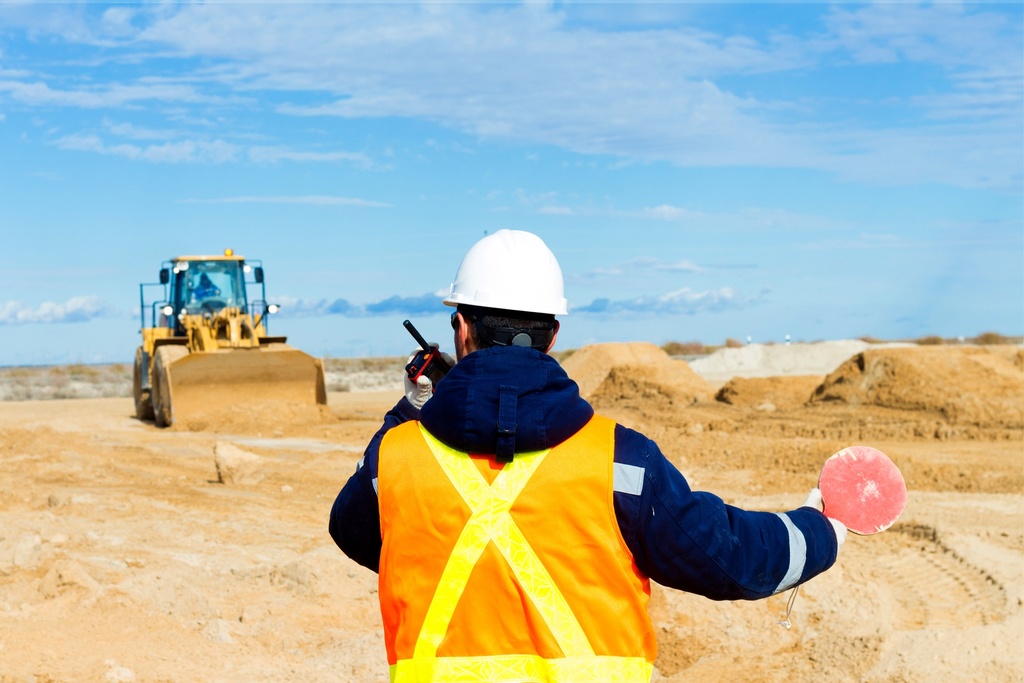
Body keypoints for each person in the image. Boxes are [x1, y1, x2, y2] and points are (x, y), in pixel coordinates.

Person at [330, 229, 846, 683]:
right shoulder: (622, 462)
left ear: (461, 329)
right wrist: (822, 529)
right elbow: (733, 558)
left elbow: (357, 534)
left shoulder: (393, 460)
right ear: (553, 336)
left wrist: (410, 412)